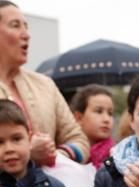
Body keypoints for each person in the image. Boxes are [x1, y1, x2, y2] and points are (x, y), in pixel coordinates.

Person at [0, 1, 89, 165]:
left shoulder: (45, 85)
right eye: (15, 25)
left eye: (26, 27)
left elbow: (78, 139)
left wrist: (59, 155)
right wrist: (26, 154)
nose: (26, 34)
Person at [70, 84, 115, 169]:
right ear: (78, 118)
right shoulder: (67, 154)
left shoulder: (118, 157)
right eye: (98, 111)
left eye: (110, 113)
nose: (106, 119)